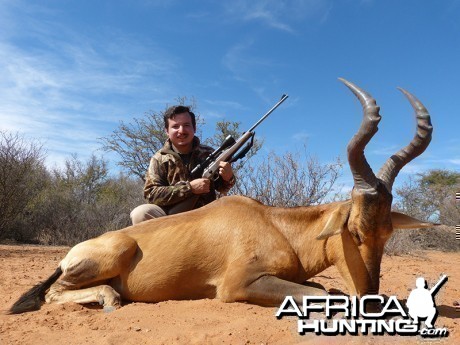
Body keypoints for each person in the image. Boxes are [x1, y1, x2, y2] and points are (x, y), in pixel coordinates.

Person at [130, 105, 236, 225]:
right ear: (166, 131)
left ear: (194, 128)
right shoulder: (159, 158)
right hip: (171, 219)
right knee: (140, 213)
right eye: (175, 126)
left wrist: (228, 177)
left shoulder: (210, 153)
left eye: (186, 125)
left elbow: (222, 187)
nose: (181, 131)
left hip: (207, 215)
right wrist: (189, 188)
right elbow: (151, 194)